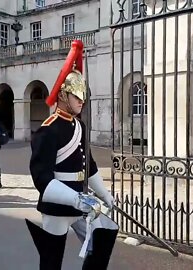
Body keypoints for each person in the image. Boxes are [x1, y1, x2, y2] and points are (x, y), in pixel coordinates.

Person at [25, 40, 119, 270]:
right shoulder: (47, 130)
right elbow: (42, 180)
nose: (82, 101)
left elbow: (89, 166)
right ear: (64, 96)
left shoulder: (80, 127)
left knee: (104, 238)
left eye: (83, 97)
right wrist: (77, 199)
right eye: (77, 97)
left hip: (81, 204)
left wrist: (104, 194)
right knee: (51, 259)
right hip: (58, 205)